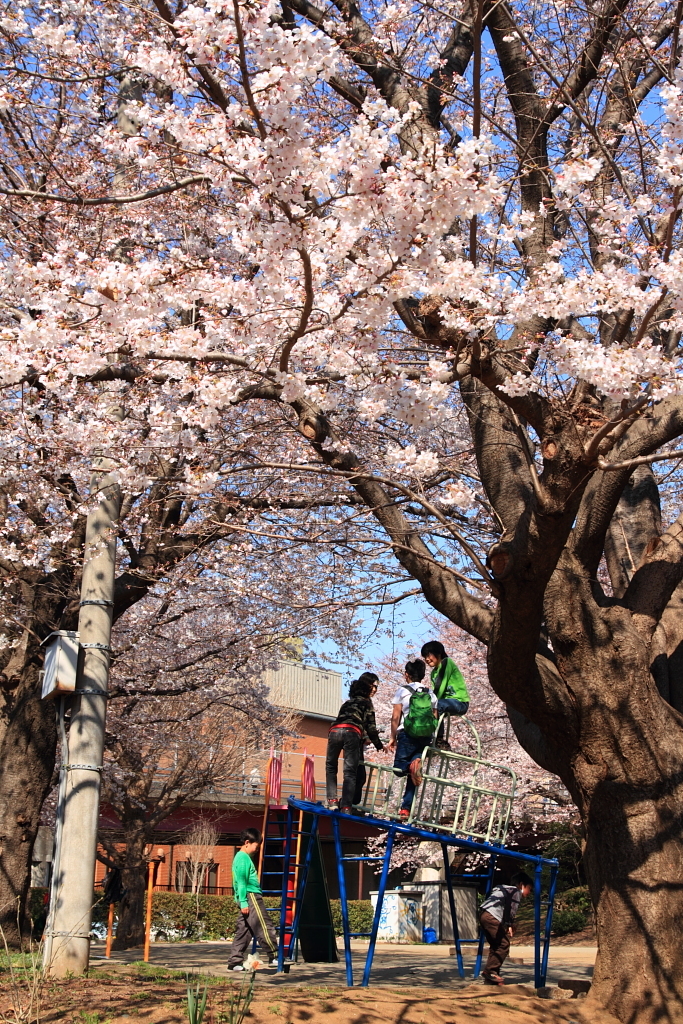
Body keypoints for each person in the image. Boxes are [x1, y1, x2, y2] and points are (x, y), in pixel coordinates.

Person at [326, 672, 385, 814]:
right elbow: (371, 728)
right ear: (366, 687)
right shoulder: (367, 704)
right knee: (350, 772)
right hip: (351, 733)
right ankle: (346, 806)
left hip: (334, 731)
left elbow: (344, 719)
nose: (375, 690)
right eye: (373, 686)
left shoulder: (347, 703)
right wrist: (379, 745)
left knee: (331, 766)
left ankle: (332, 801)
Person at [387, 659, 438, 821]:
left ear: (407, 675)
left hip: (407, 734)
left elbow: (396, 717)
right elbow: (434, 717)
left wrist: (392, 738)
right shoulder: (430, 693)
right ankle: (405, 809)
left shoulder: (402, 691)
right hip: (425, 736)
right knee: (413, 773)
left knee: (399, 769)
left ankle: (411, 765)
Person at [228, 827, 279, 971]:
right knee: (263, 924)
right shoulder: (243, 858)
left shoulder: (241, 857)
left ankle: (235, 961)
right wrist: (243, 901)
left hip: (246, 897)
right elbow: (242, 882)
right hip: (251, 896)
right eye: (256, 846)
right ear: (247, 843)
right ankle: (275, 956)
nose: (257, 849)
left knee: (244, 930)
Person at [478, 871, 533, 985]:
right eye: (529, 889)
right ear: (522, 885)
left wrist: (508, 924)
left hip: (484, 914)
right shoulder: (515, 891)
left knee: (496, 945)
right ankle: (490, 971)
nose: (529, 893)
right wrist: (509, 924)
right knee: (504, 944)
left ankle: (492, 976)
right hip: (491, 916)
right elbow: (510, 909)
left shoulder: (504, 889)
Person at [421, 641, 470, 746]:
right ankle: (428, 736)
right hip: (446, 702)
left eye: (428, 655)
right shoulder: (434, 673)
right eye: (424, 656)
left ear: (438, 653)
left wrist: (430, 701)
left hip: (459, 702)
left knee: (436, 705)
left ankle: (438, 739)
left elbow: (439, 686)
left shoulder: (446, 662)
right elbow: (437, 692)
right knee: (431, 708)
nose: (427, 659)